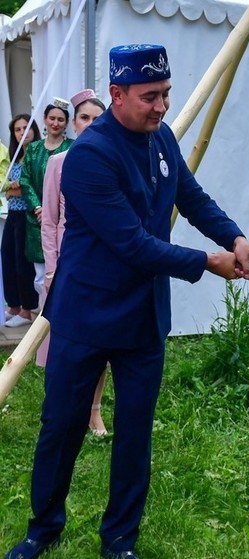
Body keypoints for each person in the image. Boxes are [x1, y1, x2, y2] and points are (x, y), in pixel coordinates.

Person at [4, 44, 249, 559]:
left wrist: (234, 238)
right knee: (60, 426)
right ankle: (43, 529)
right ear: (117, 94)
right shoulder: (87, 158)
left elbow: (191, 198)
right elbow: (131, 243)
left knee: (134, 433)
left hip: (144, 318)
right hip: (84, 314)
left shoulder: (161, 137)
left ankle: (120, 539)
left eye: (166, 94)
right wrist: (204, 262)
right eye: (150, 97)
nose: (162, 106)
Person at [39, 89, 108, 436]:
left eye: (98, 118)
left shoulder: (113, 160)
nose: (91, 124)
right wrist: (51, 268)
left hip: (101, 265)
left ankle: (94, 410)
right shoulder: (58, 164)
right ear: (73, 124)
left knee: (100, 342)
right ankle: (59, 407)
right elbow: (50, 220)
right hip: (66, 263)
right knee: (61, 344)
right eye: (84, 118)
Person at [19, 101, 73, 297]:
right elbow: (25, 180)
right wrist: (38, 208)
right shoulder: (33, 149)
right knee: (41, 277)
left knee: (65, 272)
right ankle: (44, 321)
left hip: (65, 218)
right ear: (44, 119)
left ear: (67, 123)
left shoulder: (72, 148)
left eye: (60, 119)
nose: (56, 123)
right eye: (52, 118)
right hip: (37, 221)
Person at [2, 115, 41, 327]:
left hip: (28, 215)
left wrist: (13, 189)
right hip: (13, 214)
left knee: (23, 262)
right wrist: (12, 189)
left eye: (26, 128)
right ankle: (14, 305)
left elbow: (27, 187)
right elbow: (8, 189)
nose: (22, 133)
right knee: (7, 257)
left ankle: (27, 310)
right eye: (18, 129)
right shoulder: (14, 156)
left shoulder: (36, 155)